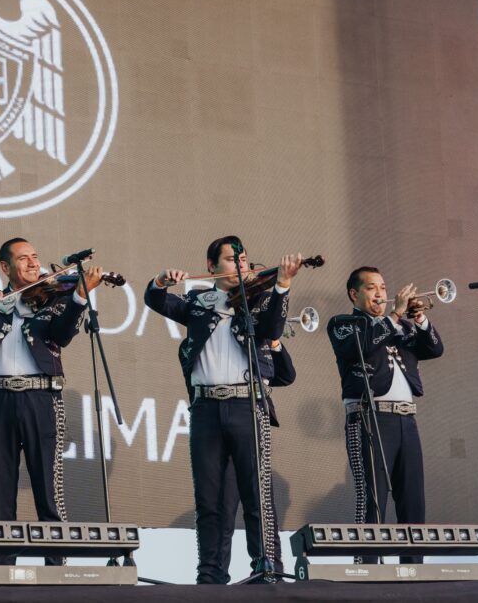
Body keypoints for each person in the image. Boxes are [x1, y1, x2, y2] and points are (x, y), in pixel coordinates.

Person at [145, 235, 301, 583]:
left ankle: (267, 567)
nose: (241, 264)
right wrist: (159, 282)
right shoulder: (200, 300)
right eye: (232, 259)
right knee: (209, 497)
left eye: (243, 258)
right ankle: (211, 573)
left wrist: (283, 285)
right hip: (205, 408)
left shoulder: (259, 299)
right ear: (212, 266)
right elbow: (156, 300)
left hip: (247, 403)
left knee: (256, 490)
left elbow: (273, 329)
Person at [0, 238, 100, 565]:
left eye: (35, 257)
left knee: (48, 492)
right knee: (0, 493)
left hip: (41, 397)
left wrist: (81, 295)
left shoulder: (54, 299)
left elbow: (63, 334)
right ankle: (3, 570)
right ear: (5, 267)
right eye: (23, 258)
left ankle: (56, 571)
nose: (32, 263)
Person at [326, 266, 443, 564]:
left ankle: (414, 572)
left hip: (406, 420)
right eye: (371, 288)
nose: (380, 293)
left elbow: (434, 349)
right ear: (355, 293)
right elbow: (362, 346)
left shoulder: (399, 326)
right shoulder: (344, 323)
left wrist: (419, 318)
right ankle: (367, 571)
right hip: (368, 417)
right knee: (373, 498)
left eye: (383, 287)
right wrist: (394, 317)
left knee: (413, 500)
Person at [216, 338, 296, 582]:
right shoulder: (215, 343)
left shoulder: (254, 337)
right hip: (219, 427)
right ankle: (215, 579)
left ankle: (270, 571)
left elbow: (286, 376)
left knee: (260, 504)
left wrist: (274, 344)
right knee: (222, 510)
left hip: (250, 422)